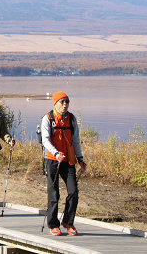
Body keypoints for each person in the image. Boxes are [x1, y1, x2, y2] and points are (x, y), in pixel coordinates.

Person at [42, 91, 87, 237]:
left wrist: (80, 159)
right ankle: (53, 224)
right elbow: (45, 140)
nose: (65, 105)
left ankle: (68, 222)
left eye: (67, 102)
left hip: (68, 160)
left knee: (73, 192)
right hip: (53, 160)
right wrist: (56, 153)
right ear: (55, 103)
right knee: (54, 193)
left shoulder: (72, 119)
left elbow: (75, 140)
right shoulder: (48, 118)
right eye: (62, 102)